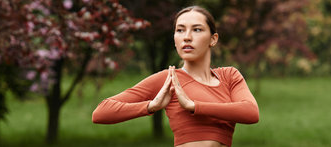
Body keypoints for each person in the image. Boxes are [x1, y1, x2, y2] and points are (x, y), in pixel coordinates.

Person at [92, 5, 259, 147]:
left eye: (197, 29)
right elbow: (100, 113)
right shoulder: (169, 80)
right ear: (175, 39)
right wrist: (151, 106)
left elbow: (251, 113)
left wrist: (193, 106)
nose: (187, 37)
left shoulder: (229, 76)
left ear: (213, 39)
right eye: (180, 30)